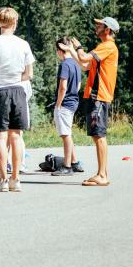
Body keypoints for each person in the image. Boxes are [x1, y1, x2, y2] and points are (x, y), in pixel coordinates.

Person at [59, 17, 119, 186]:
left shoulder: (107, 46)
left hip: (99, 96)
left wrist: (77, 47)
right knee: (97, 135)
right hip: (95, 96)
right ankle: (102, 174)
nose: (96, 27)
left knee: (99, 136)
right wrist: (71, 50)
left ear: (107, 30)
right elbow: (85, 66)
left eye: (99, 25)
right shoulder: (103, 47)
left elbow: (84, 58)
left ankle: (102, 175)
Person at [0, 7, 35, 192]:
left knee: (1, 137)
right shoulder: (23, 44)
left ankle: (2, 179)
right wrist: (15, 78)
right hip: (18, 90)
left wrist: (0, 77)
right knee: (16, 136)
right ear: (15, 22)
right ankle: (15, 179)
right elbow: (29, 73)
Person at [51, 36, 84, 176]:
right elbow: (78, 84)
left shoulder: (64, 65)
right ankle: (75, 162)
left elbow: (62, 87)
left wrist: (58, 104)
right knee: (68, 132)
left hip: (65, 104)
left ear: (60, 50)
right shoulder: (76, 64)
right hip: (74, 101)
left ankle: (67, 166)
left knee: (66, 135)